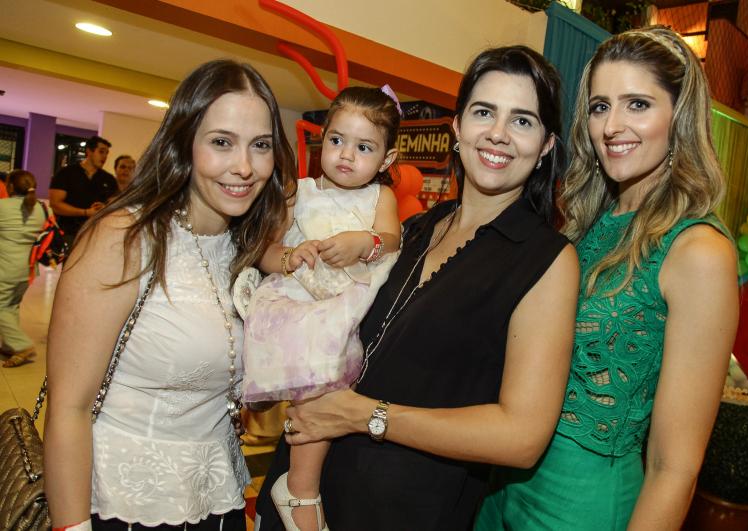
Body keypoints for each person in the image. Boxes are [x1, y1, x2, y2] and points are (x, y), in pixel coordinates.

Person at [255, 45, 580, 531]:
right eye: (484, 112)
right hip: (301, 493)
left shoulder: (545, 259)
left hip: (402, 511)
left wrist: (362, 416)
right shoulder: (415, 228)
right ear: (457, 128)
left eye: (522, 120)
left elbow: (522, 438)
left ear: (546, 146)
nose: (497, 133)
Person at [475, 26, 740, 531]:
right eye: (600, 107)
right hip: (501, 488)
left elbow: (674, 466)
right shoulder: (581, 226)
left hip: (581, 507)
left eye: (637, 104)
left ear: (680, 116)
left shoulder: (698, 252)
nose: (612, 126)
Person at [44, 59, 297, 531]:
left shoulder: (245, 247)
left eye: (260, 145)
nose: (244, 167)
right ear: (184, 142)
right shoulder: (126, 237)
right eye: (221, 142)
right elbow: (68, 407)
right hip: (122, 503)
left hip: (217, 497)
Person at [243, 86, 402, 531]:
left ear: (386, 159)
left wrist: (365, 242)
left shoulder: (380, 198)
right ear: (321, 140)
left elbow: (392, 241)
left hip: (350, 304)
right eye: (337, 140)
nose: (346, 155)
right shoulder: (299, 193)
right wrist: (290, 256)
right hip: (302, 304)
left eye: (364, 147)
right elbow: (264, 251)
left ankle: (300, 485)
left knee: (329, 389)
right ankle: (300, 488)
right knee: (321, 379)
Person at [0, 170, 46, 367]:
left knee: (1, 306)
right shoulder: (41, 209)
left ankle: (21, 345)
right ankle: (9, 345)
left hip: (6, 268)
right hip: (28, 269)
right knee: (12, 305)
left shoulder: (3, 206)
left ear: (10, 186)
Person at [49, 135, 118, 251]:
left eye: (107, 153)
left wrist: (104, 208)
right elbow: (55, 205)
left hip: (97, 234)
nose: (104, 157)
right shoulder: (66, 173)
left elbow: (115, 205)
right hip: (69, 233)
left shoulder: (109, 179)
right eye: (101, 152)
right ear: (89, 151)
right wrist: (85, 212)